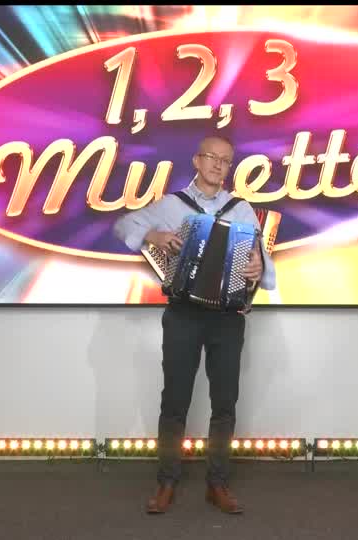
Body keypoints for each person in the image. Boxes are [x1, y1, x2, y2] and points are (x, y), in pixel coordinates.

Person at [113, 135, 276, 515]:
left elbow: (262, 262)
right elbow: (124, 226)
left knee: (225, 402)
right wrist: (153, 235)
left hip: (227, 317)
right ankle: (166, 481)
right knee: (175, 400)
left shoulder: (241, 209)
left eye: (225, 160)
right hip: (183, 313)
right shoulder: (172, 205)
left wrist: (257, 266)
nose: (218, 165)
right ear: (197, 161)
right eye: (212, 157)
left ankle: (217, 483)